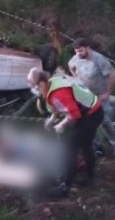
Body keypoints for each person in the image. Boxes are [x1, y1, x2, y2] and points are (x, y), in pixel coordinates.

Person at [27, 67, 104, 196]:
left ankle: (65, 187)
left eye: (33, 85)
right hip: (91, 111)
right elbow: (57, 106)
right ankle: (90, 178)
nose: (32, 88)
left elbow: (74, 114)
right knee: (85, 146)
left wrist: (61, 124)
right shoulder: (51, 84)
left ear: (40, 83)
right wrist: (52, 119)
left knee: (71, 149)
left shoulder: (58, 93)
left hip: (91, 115)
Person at [68, 38, 115, 155]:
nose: (78, 54)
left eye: (81, 51)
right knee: (86, 122)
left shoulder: (98, 59)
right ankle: (96, 147)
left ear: (88, 48)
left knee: (105, 122)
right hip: (85, 95)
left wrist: (107, 92)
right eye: (76, 51)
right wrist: (76, 78)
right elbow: (71, 65)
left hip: (100, 95)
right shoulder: (76, 59)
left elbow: (112, 74)